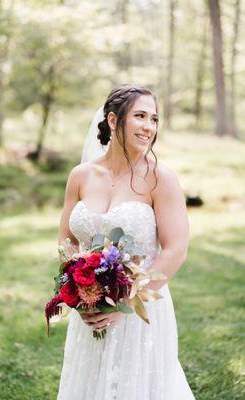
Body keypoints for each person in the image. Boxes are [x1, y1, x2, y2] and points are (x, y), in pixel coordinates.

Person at [57, 83, 195, 399]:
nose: (149, 127)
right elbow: (66, 241)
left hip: (141, 309)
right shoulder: (80, 175)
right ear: (114, 120)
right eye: (141, 116)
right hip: (90, 310)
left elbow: (176, 249)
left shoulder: (161, 178)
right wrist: (80, 295)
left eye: (155, 119)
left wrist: (126, 304)